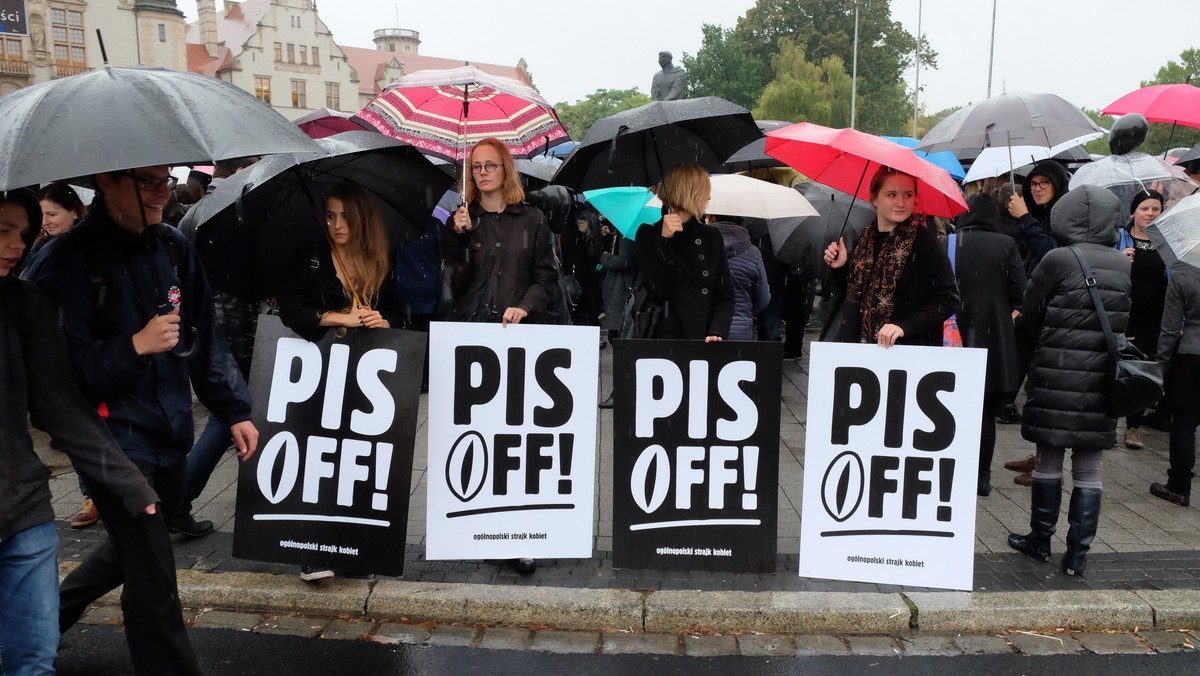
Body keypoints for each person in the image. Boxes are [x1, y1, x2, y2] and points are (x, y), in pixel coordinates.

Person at [24, 164, 260, 675]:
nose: (163, 192)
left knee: (130, 551)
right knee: (153, 576)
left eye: (163, 180)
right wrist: (132, 346)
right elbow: (53, 376)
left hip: (171, 430)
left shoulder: (172, 246)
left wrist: (233, 409)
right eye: (148, 181)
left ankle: (38, 626)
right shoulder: (66, 260)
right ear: (108, 182)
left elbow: (202, 337)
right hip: (111, 445)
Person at [1, 189, 158, 676]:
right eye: (4, 230)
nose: (16, 245)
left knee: (33, 660)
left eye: (24, 234)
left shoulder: (24, 302)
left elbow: (58, 405)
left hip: (23, 511)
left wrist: (127, 481)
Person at [443, 138, 562, 574]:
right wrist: (458, 239)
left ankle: (518, 532)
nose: (482, 173)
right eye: (476, 167)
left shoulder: (531, 219)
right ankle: (482, 524)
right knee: (479, 434)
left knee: (515, 438)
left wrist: (525, 306)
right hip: (474, 335)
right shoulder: (462, 219)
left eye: (490, 165)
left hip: (518, 339)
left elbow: (546, 279)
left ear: (505, 169)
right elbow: (455, 284)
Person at [1007, 185, 1131, 578]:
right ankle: (1077, 555)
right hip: (1100, 378)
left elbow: (1028, 308)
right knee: (1089, 468)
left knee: (1048, 461)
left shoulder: (1058, 258)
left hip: (1056, 370)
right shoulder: (1122, 264)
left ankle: (1040, 541)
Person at [174, 156, 262, 538]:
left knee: (230, 415)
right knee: (226, 417)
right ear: (240, 173)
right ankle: (177, 502)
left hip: (205, 327)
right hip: (235, 327)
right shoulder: (233, 211)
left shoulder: (194, 212)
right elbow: (247, 276)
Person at [823, 166, 959, 347]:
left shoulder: (926, 242)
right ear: (874, 198)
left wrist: (905, 327)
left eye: (908, 195)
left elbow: (948, 299)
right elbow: (850, 294)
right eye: (892, 195)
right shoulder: (863, 239)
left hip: (907, 353)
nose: (901, 203)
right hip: (859, 349)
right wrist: (840, 268)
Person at [946, 193, 1026, 496]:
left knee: (950, 406)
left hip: (953, 336)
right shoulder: (1006, 244)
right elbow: (1021, 292)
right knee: (984, 412)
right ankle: (981, 476)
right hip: (993, 339)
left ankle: (952, 467)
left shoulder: (950, 244)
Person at [633, 162, 734, 342]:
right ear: (690, 194)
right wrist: (665, 240)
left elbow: (725, 293)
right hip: (664, 345)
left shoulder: (712, 236)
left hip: (705, 342)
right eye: (704, 191)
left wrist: (717, 330)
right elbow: (658, 290)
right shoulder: (648, 234)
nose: (709, 198)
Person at [1114, 189, 1169, 450]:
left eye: (1155, 209)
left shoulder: (1167, 243)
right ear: (1133, 212)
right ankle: (1106, 423)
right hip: (1124, 315)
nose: (1150, 214)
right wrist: (1119, 261)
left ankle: (1133, 428)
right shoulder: (1120, 238)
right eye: (1145, 208)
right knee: (1114, 368)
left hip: (1154, 319)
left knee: (1142, 371)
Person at [1151, 265, 1200, 507]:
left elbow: (1169, 329)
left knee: (1184, 424)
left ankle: (1179, 487)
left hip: (1192, 355)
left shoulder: (1183, 274)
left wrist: (1160, 369)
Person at [710, 215, 770, 341]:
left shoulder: (701, 249)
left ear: (711, 217)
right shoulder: (753, 252)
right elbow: (763, 298)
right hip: (740, 330)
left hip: (706, 327)